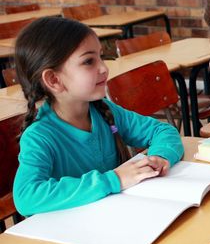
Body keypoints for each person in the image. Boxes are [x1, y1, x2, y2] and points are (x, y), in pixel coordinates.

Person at [12, 17, 184, 216]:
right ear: (53, 79)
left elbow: (162, 130)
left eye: (101, 57)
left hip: (116, 218)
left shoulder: (104, 110)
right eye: (88, 61)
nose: (104, 68)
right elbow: (26, 197)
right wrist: (114, 180)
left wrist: (160, 156)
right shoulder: (39, 136)